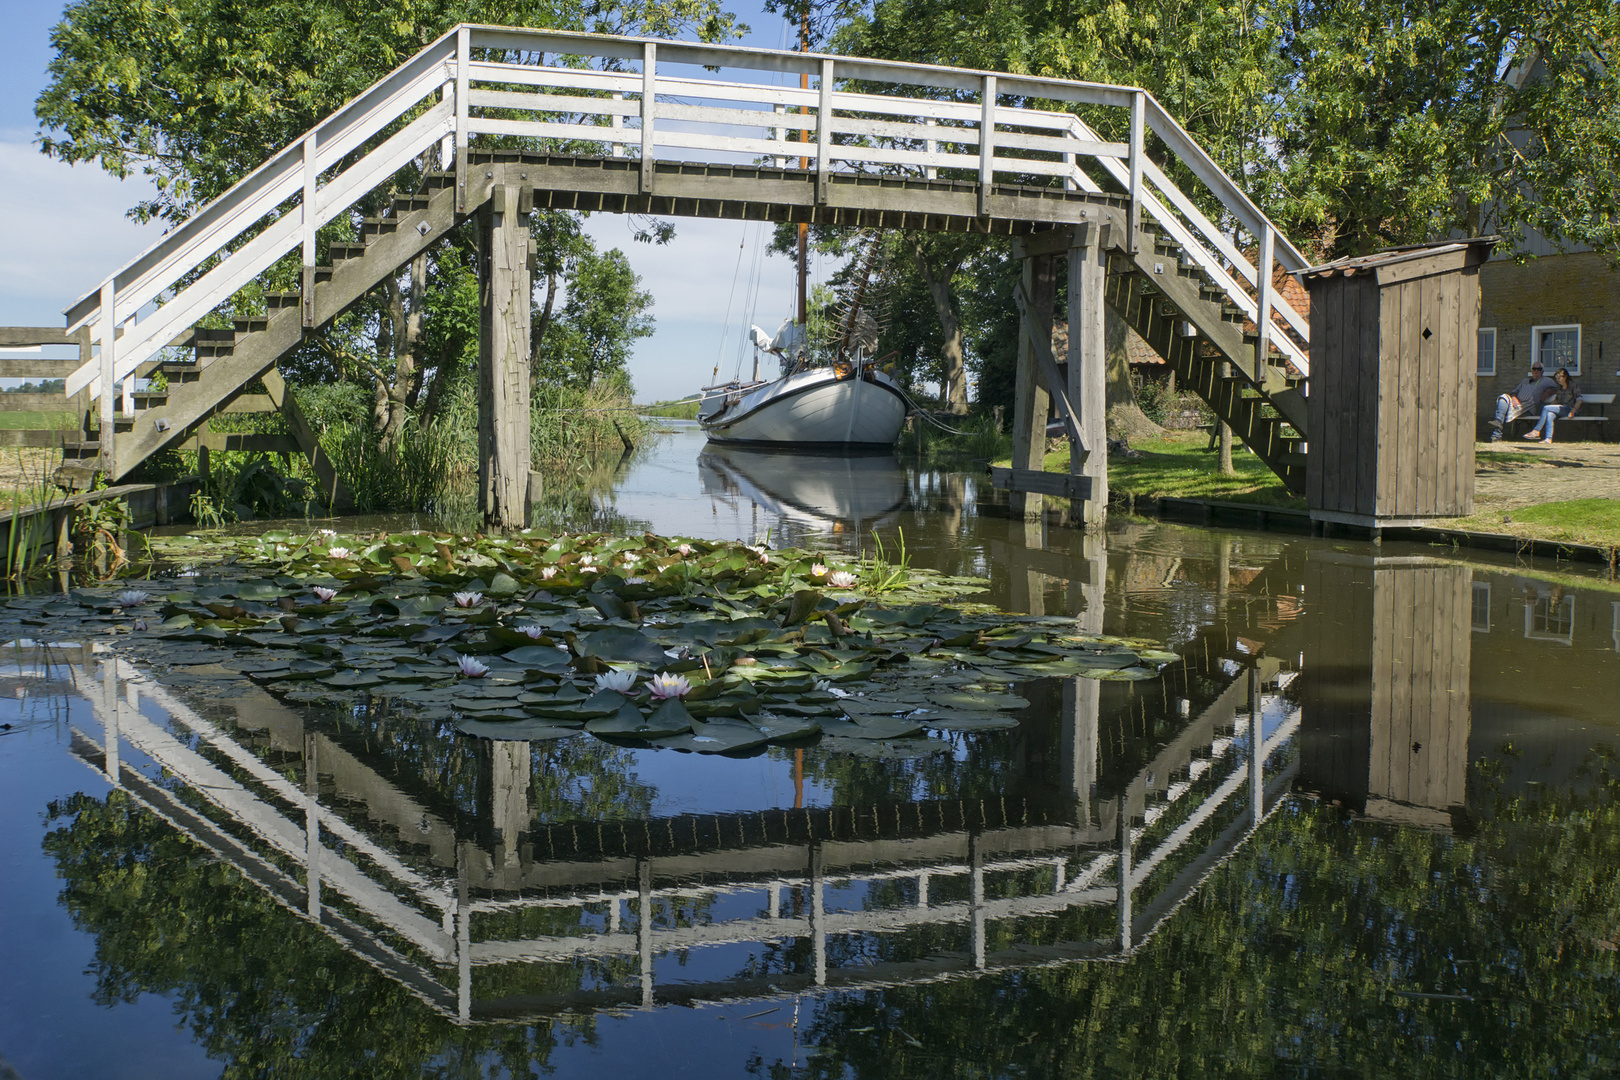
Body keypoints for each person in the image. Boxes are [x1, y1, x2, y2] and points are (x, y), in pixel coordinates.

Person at [1490, 362, 1556, 440]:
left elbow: (1556, 389)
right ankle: (1498, 422)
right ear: (1531, 371)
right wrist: (1514, 398)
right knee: (1502, 398)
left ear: (1542, 371)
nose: (1536, 371)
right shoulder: (1525, 380)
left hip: (1528, 407)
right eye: (1534, 369)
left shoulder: (1546, 380)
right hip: (1516, 403)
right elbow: (1514, 392)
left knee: (1503, 412)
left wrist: (1548, 392)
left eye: (1539, 369)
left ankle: (1496, 434)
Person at [1524, 367, 1583, 441]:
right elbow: (1556, 400)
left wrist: (1573, 411)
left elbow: (1579, 399)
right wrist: (1551, 407)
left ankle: (1536, 431)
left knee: (1546, 408)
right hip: (1560, 409)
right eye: (1557, 379)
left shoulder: (1573, 385)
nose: (1558, 380)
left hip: (1570, 409)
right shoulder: (1559, 387)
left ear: (1565, 377)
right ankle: (1548, 439)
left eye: (1559, 378)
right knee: (1549, 415)